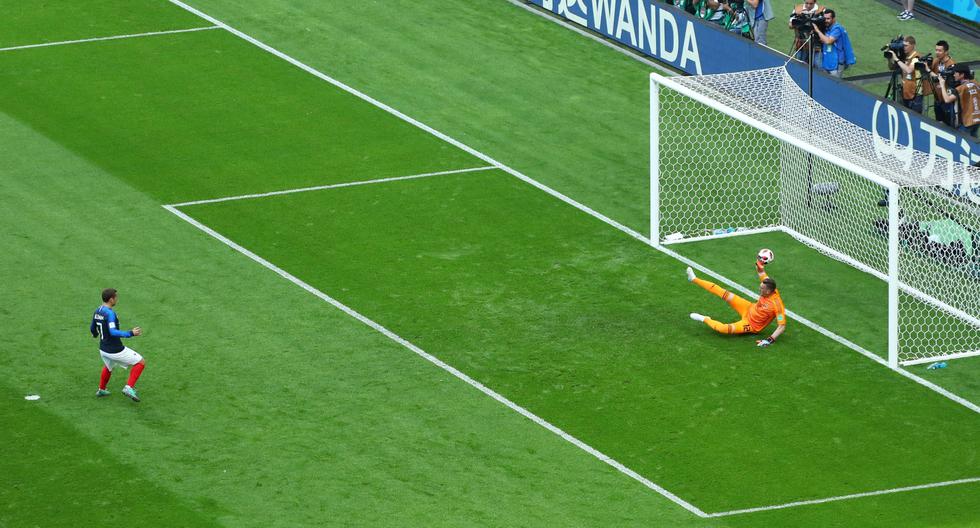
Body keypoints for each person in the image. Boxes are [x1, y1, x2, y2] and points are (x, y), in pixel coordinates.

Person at [685, 259, 786, 347]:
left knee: (723, 329)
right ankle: (694, 279)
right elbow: (761, 271)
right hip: (748, 308)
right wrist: (760, 262)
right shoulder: (768, 284)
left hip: (751, 325)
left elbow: (782, 325)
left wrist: (770, 340)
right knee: (724, 293)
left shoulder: (777, 305)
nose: (759, 289)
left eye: (762, 289)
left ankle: (705, 319)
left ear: (768, 291)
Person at [90, 288, 146, 402]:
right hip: (115, 350)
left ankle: (101, 389)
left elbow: (92, 327)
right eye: (116, 297)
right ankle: (128, 387)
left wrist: (95, 334)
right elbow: (113, 331)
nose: (117, 299)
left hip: (103, 349)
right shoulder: (110, 313)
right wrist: (131, 333)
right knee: (141, 362)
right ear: (111, 299)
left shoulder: (98, 310)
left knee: (108, 366)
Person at [938, 64, 980, 137]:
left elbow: (947, 100)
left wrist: (942, 85)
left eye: (955, 73)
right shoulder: (976, 84)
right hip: (977, 119)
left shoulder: (960, 89)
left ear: (962, 75)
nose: (954, 75)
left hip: (966, 122)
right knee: (974, 143)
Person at [811, 9, 856, 78]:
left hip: (837, 64)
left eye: (828, 19)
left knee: (834, 84)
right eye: (824, 18)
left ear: (834, 19)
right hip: (827, 61)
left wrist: (817, 30)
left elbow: (828, 41)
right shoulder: (827, 27)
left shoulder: (837, 28)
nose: (826, 21)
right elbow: (823, 40)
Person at [886, 36, 924, 113]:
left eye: (906, 45)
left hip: (915, 95)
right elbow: (892, 67)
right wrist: (889, 58)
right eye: (903, 45)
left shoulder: (916, 57)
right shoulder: (904, 57)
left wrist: (896, 58)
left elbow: (909, 70)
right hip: (905, 92)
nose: (904, 47)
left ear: (913, 45)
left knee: (914, 119)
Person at [928, 41, 956, 125]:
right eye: (936, 50)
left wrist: (928, 70)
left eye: (940, 51)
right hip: (937, 99)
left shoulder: (952, 65)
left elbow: (939, 79)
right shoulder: (936, 61)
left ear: (946, 52)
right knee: (938, 123)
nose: (937, 52)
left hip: (947, 101)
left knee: (948, 126)